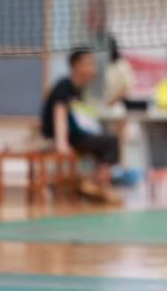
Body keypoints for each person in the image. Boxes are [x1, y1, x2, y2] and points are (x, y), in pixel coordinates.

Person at [40, 47, 121, 205]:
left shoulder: (79, 89)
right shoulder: (64, 85)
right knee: (111, 141)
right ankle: (97, 184)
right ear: (76, 66)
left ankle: (95, 183)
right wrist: (61, 143)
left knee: (107, 139)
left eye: (93, 64)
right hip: (63, 136)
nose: (93, 68)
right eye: (89, 64)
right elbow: (59, 113)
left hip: (76, 135)